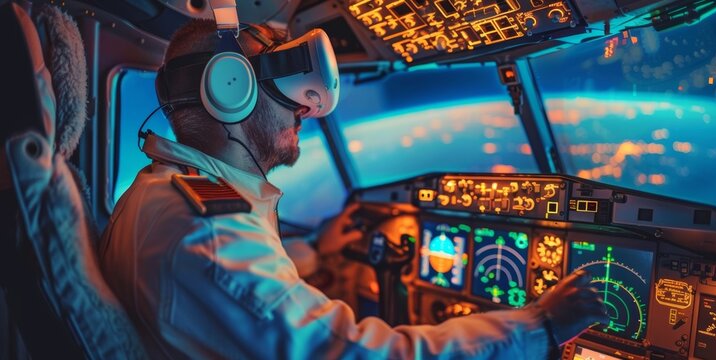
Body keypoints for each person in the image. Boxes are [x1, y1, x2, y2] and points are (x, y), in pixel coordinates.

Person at [99, 18, 608, 359]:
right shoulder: (204, 233)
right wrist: (538, 326)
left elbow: (242, 297)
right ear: (231, 88)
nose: (304, 109)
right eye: (289, 88)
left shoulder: (163, 193)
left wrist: (317, 250)